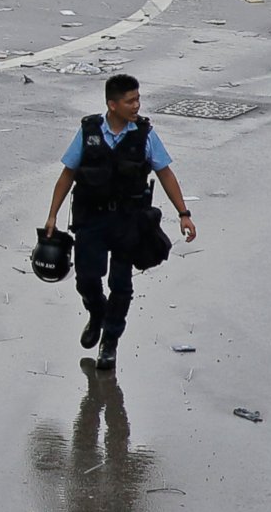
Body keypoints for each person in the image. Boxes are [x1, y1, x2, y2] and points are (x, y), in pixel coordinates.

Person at [44, 73, 195, 368]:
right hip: (91, 219)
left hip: (129, 220)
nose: (136, 105)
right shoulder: (89, 132)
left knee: (121, 285)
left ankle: (110, 342)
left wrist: (184, 214)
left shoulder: (144, 135)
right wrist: (52, 215)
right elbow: (67, 174)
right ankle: (97, 313)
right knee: (87, 279)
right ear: (112, 105)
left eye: (138, 99)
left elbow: (165, 173)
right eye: (130, 101)